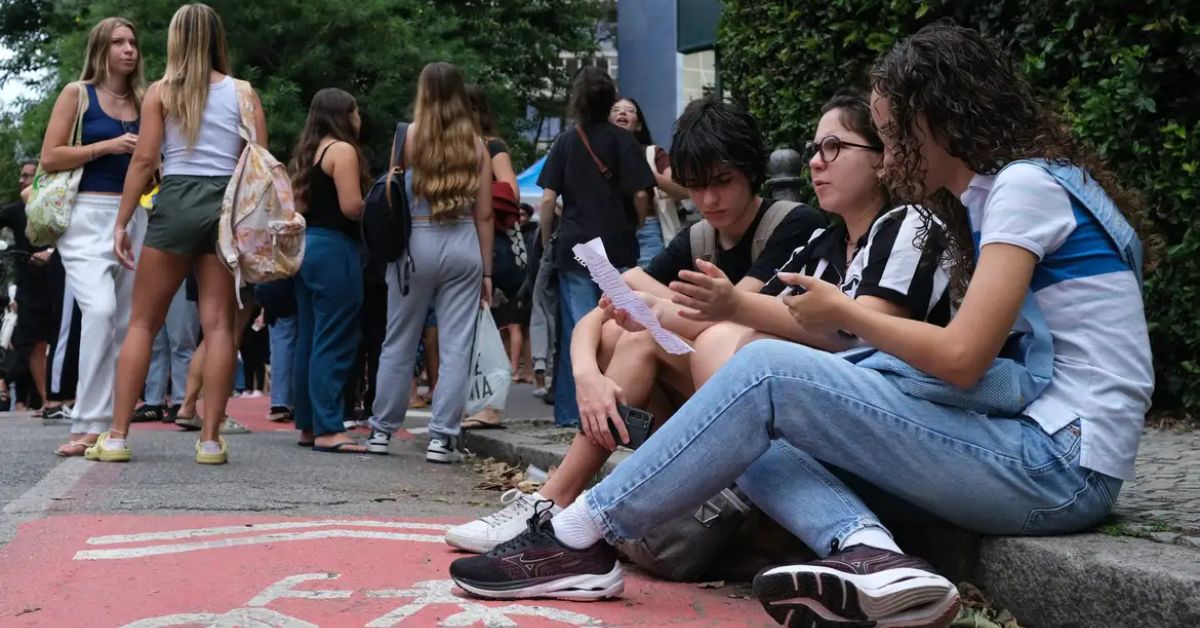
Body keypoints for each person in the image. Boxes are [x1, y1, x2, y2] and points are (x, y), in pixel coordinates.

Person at [448, 23, 1153, 628]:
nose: (892, 154)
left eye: (892, 135)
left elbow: (965, 356)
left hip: (1059, 465)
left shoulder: (1025, 187)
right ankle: (870, 552)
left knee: (760, 373)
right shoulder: (1014, 187)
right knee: (744, 419)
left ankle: (578, 533)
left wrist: (843, 313)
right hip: (1040, 446)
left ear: (939, 118)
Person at [445, 98, 826, 553]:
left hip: (776, 414)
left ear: (750, 170)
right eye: (696, 186)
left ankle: (552, 502)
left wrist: (646, 297)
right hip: (714, 405)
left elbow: (727, 312)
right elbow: (599, 314)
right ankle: (578, 503)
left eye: (722, 182)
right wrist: (586, 377)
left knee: (641, 339)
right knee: (613, 332)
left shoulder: (792, 224)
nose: (709, 199)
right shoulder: (699, 237)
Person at [92, 3, 264, 464]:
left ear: (175, 39)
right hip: (224, 206)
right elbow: (259, 163)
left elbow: (144, 161)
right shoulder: (243, 92)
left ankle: (117, 437)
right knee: (219, 324)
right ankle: (209, 441)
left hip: (176, 200)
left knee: (143, 323)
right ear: (216, 39)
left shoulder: (162, 92)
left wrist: (122, 222)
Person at [366, 62, 494, 462]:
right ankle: (442, 438)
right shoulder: (477, 146)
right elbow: (485, 214)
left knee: (399, 339)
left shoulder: (406, 137)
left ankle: (381, 431)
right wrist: (488, 270)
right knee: (457, 346)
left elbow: (392, 194)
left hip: (415, 242)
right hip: (463, 242)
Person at [37, 17, 146, 456]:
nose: (129, 49)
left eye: (133, 42)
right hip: (85, 214)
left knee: (125, 324)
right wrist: (107, 146)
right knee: (99, 312)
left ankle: (110, 426)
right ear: (101, 48)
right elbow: (50, 157)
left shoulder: (145, 99)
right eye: (119, 42)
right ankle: (85, 423)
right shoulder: (77, 94)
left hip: (133, 215)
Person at [538, 67, 656, 428]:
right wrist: (637, 223)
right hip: (616, 247)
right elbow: (641, 194)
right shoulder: (624, 141)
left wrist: (547, 241)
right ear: (609, 101)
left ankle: (571, 414)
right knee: (620, 327)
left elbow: (548, 200)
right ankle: (618, 408)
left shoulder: (566, 141)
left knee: (579, 332)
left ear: (577, 100)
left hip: (576, 248)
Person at [287, 87, 370, 453]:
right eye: (356, 111)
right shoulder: (342, 150)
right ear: (344, 114)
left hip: (306, 246)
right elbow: (351, 206)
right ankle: (329, 427)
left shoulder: (308, 152)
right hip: (336, 249)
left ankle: (308, 423)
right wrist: (378, 205)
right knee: (335, 337)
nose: (359, 118)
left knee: (309, 337)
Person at [461, 84, 521, 430]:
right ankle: (475, 403)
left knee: (485, 325)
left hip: (485, 242)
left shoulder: (490, 146)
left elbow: (510, 189)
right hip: (464, 241)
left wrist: (474, 191)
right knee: (467, 327)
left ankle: (490, 405)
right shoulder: (454, 144)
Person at [609, 97, 689, 267]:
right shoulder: (595, 154)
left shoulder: (653, 153)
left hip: (646, 232)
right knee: (610, 285)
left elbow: (682, 190)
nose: (622, 112)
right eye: (615, 110)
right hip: (608, 231)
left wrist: (647, 173)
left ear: (639, 125)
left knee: (646, 281)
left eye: (629, 110)